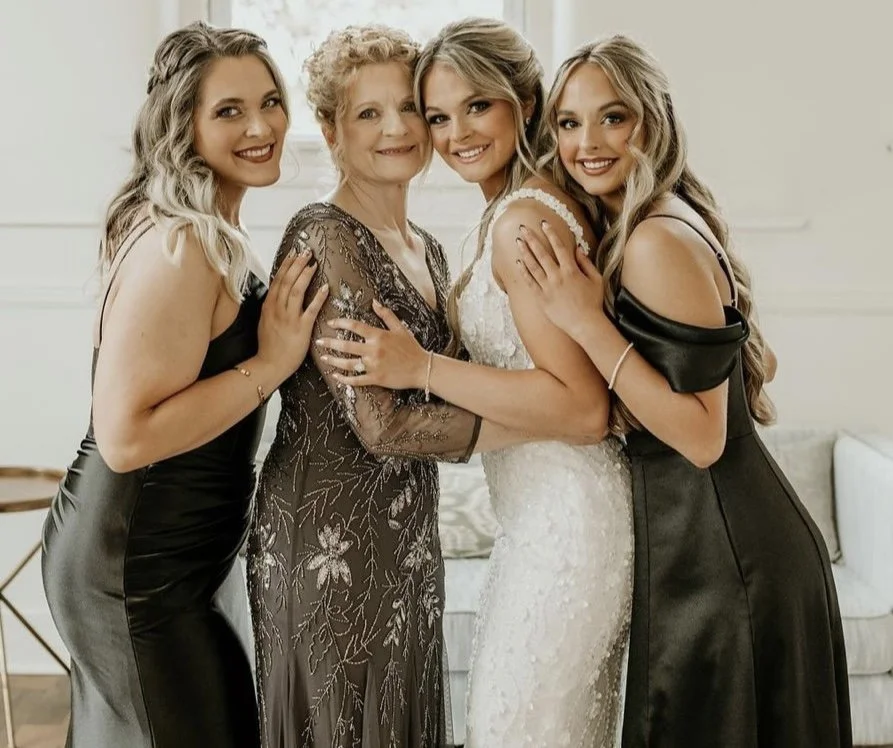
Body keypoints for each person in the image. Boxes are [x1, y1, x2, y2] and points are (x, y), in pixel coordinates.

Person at [515, 34, 852, 748]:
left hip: (730, 559)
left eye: (613, 117)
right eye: (568, 124)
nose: (587, 142)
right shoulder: (645, 225)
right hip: (713, 548)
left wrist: (584, 321)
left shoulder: (652, 241)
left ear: (653, 120)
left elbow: (700, 437)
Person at [315, 18, 633, 747]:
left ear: (523, 100)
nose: (454, 131)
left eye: (476, 106)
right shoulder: (508, 208)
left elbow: (583, 407)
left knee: (513, 729)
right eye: (437, 115)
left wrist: (420, 367)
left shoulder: (522, 221)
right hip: (536, 516)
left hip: (568, 521)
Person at [41, 21, 327, 748]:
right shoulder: (181, 244)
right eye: (228, 111)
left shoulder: (203, 225)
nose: (260, 125)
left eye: (269, 101)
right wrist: (271, 363)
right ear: (182, 123)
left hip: (171, 552)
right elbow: (127, 437)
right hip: (134, 563)